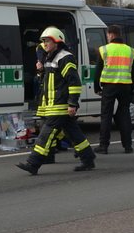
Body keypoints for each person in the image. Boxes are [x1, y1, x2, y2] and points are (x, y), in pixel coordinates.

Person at [16, 27, 97, 175]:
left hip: (60, 105)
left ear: (57, 42)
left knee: (46, 135)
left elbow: (74, 82)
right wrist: (40, 71)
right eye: (44, 41)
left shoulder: (65, 58)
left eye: (47, 41)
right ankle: (88, 159)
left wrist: (73, 103)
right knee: (74, 134)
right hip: (53, 105)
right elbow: (48, 81)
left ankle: (33, 163)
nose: (44, 44)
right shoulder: (50, 57)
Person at [95, 24, 134, 153]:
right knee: (124, 115)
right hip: (125, 86)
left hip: (109, 86)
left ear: (111, 34)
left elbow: (98, 71)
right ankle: (128, 146)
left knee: (106, 116)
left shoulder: (104, 50)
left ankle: (104, 146)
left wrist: (97, 87)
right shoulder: (130, 51)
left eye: (108, 35)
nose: (107, 37)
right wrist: (132, 89)